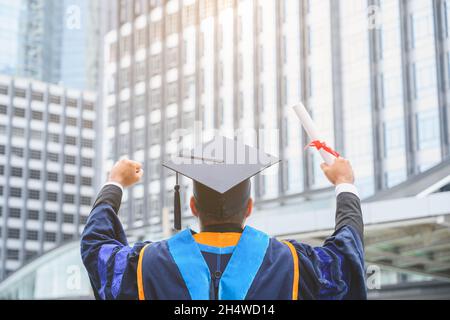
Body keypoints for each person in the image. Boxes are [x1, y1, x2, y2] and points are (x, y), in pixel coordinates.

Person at [81, 137, 366, 300]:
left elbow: (96, 247)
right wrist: (345, 183)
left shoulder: (147, 264)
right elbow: (346, 254)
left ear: (192, 206)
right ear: (249, 207)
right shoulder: (291, 263)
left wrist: (115, 182)